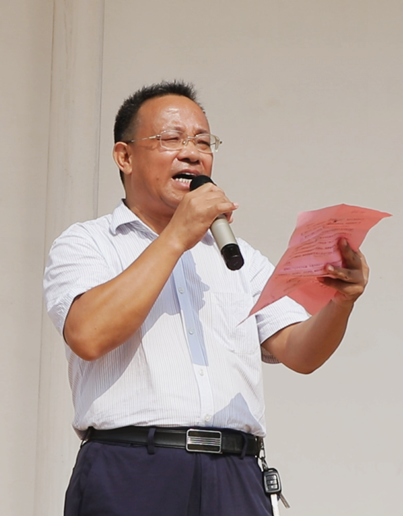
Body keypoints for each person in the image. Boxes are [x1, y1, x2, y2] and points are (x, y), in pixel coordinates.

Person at [43, 81, 369, 516]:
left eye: (202, 141)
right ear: (124, 157)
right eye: (171, 139)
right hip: (132, 471)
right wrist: (179, 233)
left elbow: (299, 351)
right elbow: (88, 334)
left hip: (235, 475)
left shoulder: (237, 256)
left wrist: (341, 302)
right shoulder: (88, 243)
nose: (192, 153)